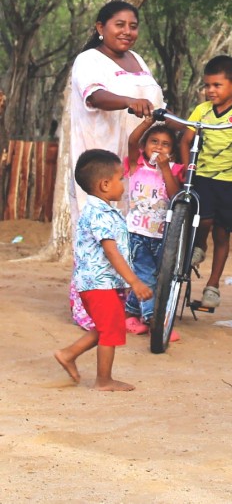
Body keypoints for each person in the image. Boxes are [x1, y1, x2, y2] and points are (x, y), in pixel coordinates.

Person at [52, 149, 153, 391]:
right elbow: (111, 252)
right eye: (120, 179)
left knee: (109, 326)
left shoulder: (104, 210)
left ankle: (68, 354)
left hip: (103, 283)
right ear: (105, 184)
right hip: (99, 284)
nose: (123, 184)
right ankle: (104, 380)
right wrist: (135, 281)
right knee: (110, 331)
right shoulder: (99, 214)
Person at [181, 55, 232, 311]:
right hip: (203, 177)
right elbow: (185, 140)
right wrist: (187, 170)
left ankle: (213, 286)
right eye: (207, 85)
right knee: (204, 219)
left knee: (222, 232)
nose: (210, 91)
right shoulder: (201, 111)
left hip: (230, 181)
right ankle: (199, 245)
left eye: (217, 85)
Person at [66, 2, 165, 214]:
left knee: (138, 225)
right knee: (104, 228)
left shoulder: (137, 59)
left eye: (133, 26)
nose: (127, 32)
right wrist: (128, 101)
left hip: (139, 164)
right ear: (101, 28)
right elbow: (95, 97)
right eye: (120, 25)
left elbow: (157, 110)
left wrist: (193, 127)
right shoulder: (88, 59)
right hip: (103, 160)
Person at [120, 115, 183, 335]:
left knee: (155, 278)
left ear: (172, 151)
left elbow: (175, 197)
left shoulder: (175, 169)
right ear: (144, 146)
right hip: (136, 233)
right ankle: (154, 322)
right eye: (153, 141)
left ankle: (129, 315)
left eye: (165, 144)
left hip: (162, 236)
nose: (158, 147)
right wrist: (148, 122)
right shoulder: (136, 165)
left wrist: (165, 167)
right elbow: (131, 141)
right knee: (145, 276)